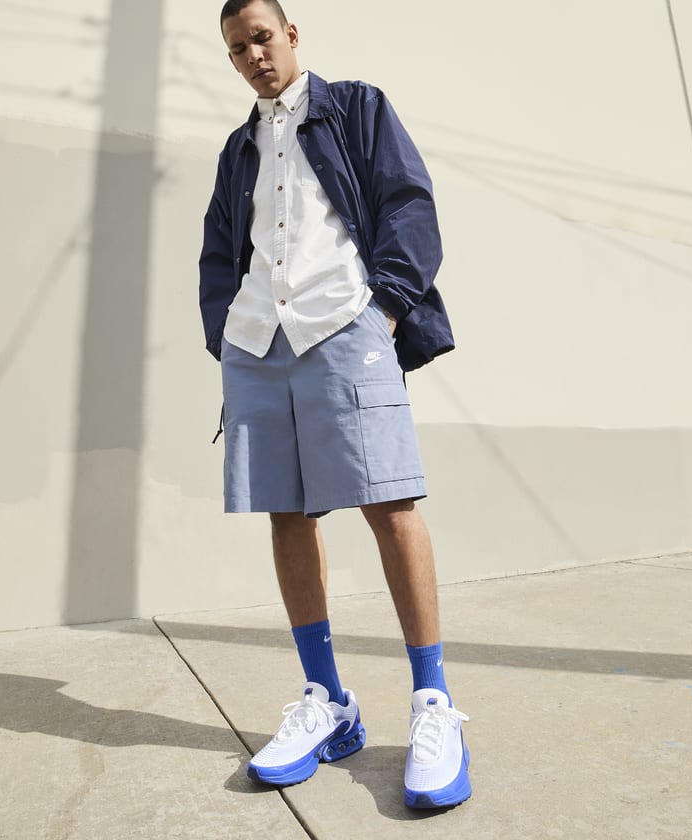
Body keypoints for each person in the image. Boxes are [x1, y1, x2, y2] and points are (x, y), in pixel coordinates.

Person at [199, 0, 470, 810]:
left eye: (261, 37)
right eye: (237, 48)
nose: (253, 54)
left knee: (391, 504)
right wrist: (225, 334)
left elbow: (408, 203)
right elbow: (219, 249)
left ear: (290, 34)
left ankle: (433, 703)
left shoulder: (355, 107)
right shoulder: (239, 147)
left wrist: (383, 310)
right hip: (258, 344)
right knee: (287, 513)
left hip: (345, 325)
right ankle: (328, 702)